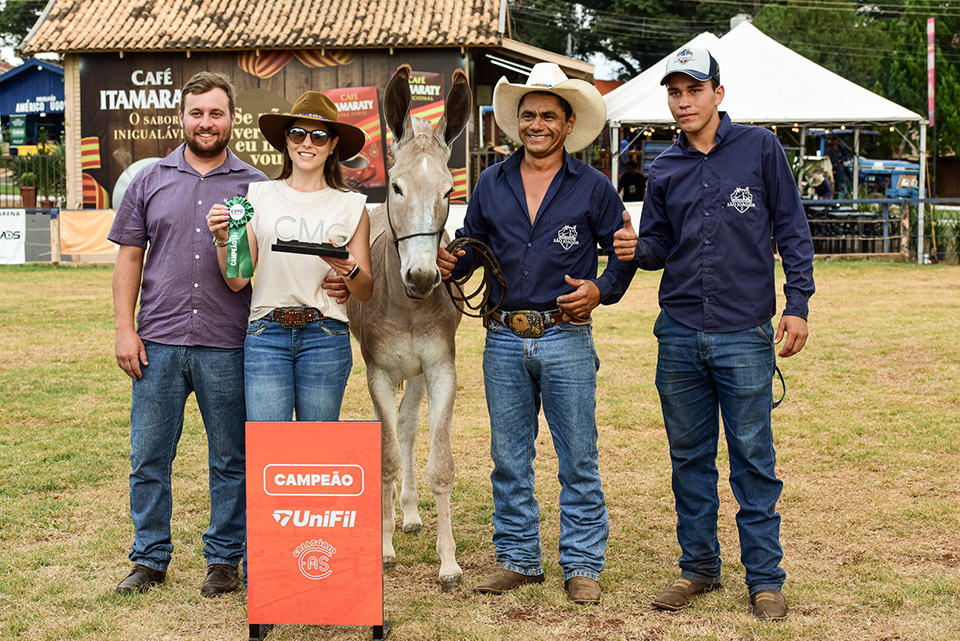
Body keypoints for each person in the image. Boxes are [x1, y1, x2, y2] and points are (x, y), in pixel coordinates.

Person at [613, 47, 815, 620]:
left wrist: (797, 303)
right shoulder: (665, 168)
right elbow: (657, 246)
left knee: (753, 456)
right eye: (674, 93)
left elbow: (792, 229)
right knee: (689, 457)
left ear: (717, 94)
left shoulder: (761, 147)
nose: (683, 102)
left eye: (693, 90)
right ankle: (698, 569)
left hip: (744, 330)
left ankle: (765, 580)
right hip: (678, 330)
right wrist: (635, 249)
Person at [437, 63, 636, 605]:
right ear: (516, 122)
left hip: (566, 335)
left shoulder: (594, 188)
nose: (537, 124)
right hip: (502, 336)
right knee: (508, 457)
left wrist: (600, 290)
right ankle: (520, 558)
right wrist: (450, 262)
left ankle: (582, 563)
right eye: (528, 115)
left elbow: (624, 255)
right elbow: (471, 251)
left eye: (548, 115)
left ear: (568, 123)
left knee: (578, 457)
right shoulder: (489, 183)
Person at [108, 72, 267, 598]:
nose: (206, 123)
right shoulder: (149, 180)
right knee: (149, 455)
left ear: (231, 118)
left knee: (231, 459)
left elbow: (259, 267)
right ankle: (149, 558)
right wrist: (125, 330)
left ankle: (224, 559)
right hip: (159, 342)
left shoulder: (257, 187)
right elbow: (129, 256)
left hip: (228, 342)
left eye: (216, 113)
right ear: (183, 117)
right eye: (197, 113)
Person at [206, 91, 372, 422]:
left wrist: (350, 270)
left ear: (333, 143)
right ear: (287, 139)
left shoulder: (352, 205)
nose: (306, 143)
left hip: (326, 335)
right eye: (298, 133)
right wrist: (223, 239)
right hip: (266, 336)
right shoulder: (259, 195)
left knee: (318, 450)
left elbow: (365, 291)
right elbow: (238, 279)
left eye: (319, 135)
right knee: (269, 450)